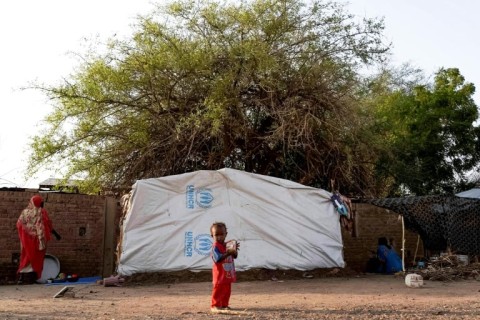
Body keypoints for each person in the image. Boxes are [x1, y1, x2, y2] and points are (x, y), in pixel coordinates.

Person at [16, 195, 60, 284]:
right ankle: (32, 279)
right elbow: (48, 225)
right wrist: (56, 234)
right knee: (36, 258)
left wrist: (26, 235)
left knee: (25, 257)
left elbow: (19, 225)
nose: (42, 203)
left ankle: (21, 278)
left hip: (26, 241)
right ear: (39, 202)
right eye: (41, 201)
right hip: (38, 241)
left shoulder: (25, 212)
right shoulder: (41, 212)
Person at [210, 222, 239, 313]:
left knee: (227, 290)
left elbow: (235, 256)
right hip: (219, 275)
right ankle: (215, 305)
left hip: (227, 274)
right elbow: (218, 259)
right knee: (218, 289)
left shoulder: (228, 245)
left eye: (221, 234)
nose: (219, 237)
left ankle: (224, 305)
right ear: (212, 236)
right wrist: (228, 253)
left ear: (226, 234)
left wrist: (234, 251)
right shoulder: (215, 247)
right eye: (216, 235)